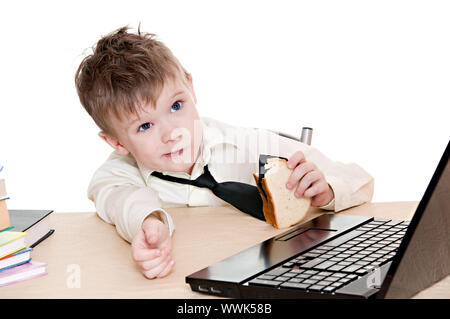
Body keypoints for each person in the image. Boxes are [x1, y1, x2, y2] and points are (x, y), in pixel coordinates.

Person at [74, 26, 374, 280]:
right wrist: (149, 223)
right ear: (117, 143)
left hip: (270, 275)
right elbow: (121, 199)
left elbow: (359, 179)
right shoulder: (118, 173)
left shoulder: (242, 143)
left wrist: (327, 190)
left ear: (190, 87)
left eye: (176, 106)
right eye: (145, 125)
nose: (171, 134)